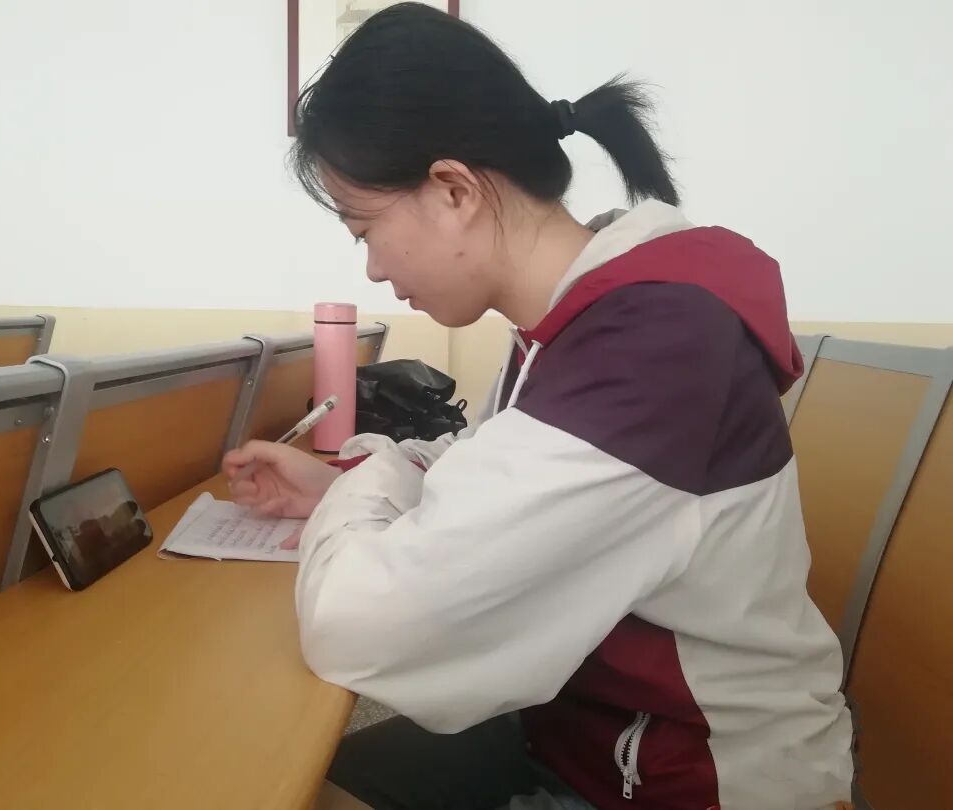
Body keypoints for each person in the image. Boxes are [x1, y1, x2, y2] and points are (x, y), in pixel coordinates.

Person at [223, 3, 854, 808]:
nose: (373, 268)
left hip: (694, 780)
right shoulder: (579, 320)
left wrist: (362, 485)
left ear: (453, 190)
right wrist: (337, 486)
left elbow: (358, 627)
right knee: (279, 772)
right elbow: (476, 467)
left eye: (363, 230)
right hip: (587, 737)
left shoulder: (650, 344)